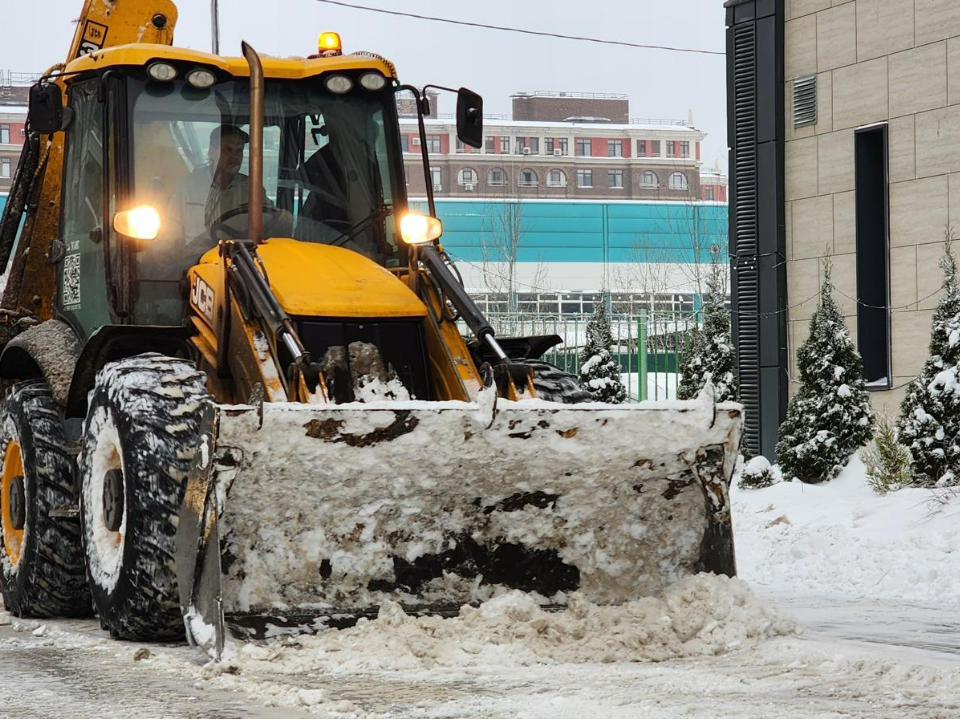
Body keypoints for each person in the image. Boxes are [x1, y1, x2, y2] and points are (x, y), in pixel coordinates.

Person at [166, 124, 291, 255]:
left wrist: (284, 220)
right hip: (193, 262)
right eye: (228, 150)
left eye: (239, 151)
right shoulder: (188, 186)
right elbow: (170, 233)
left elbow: (270, 221)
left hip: (240, 262)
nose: (234, 157)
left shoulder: (252, 189)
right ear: (212, 152)